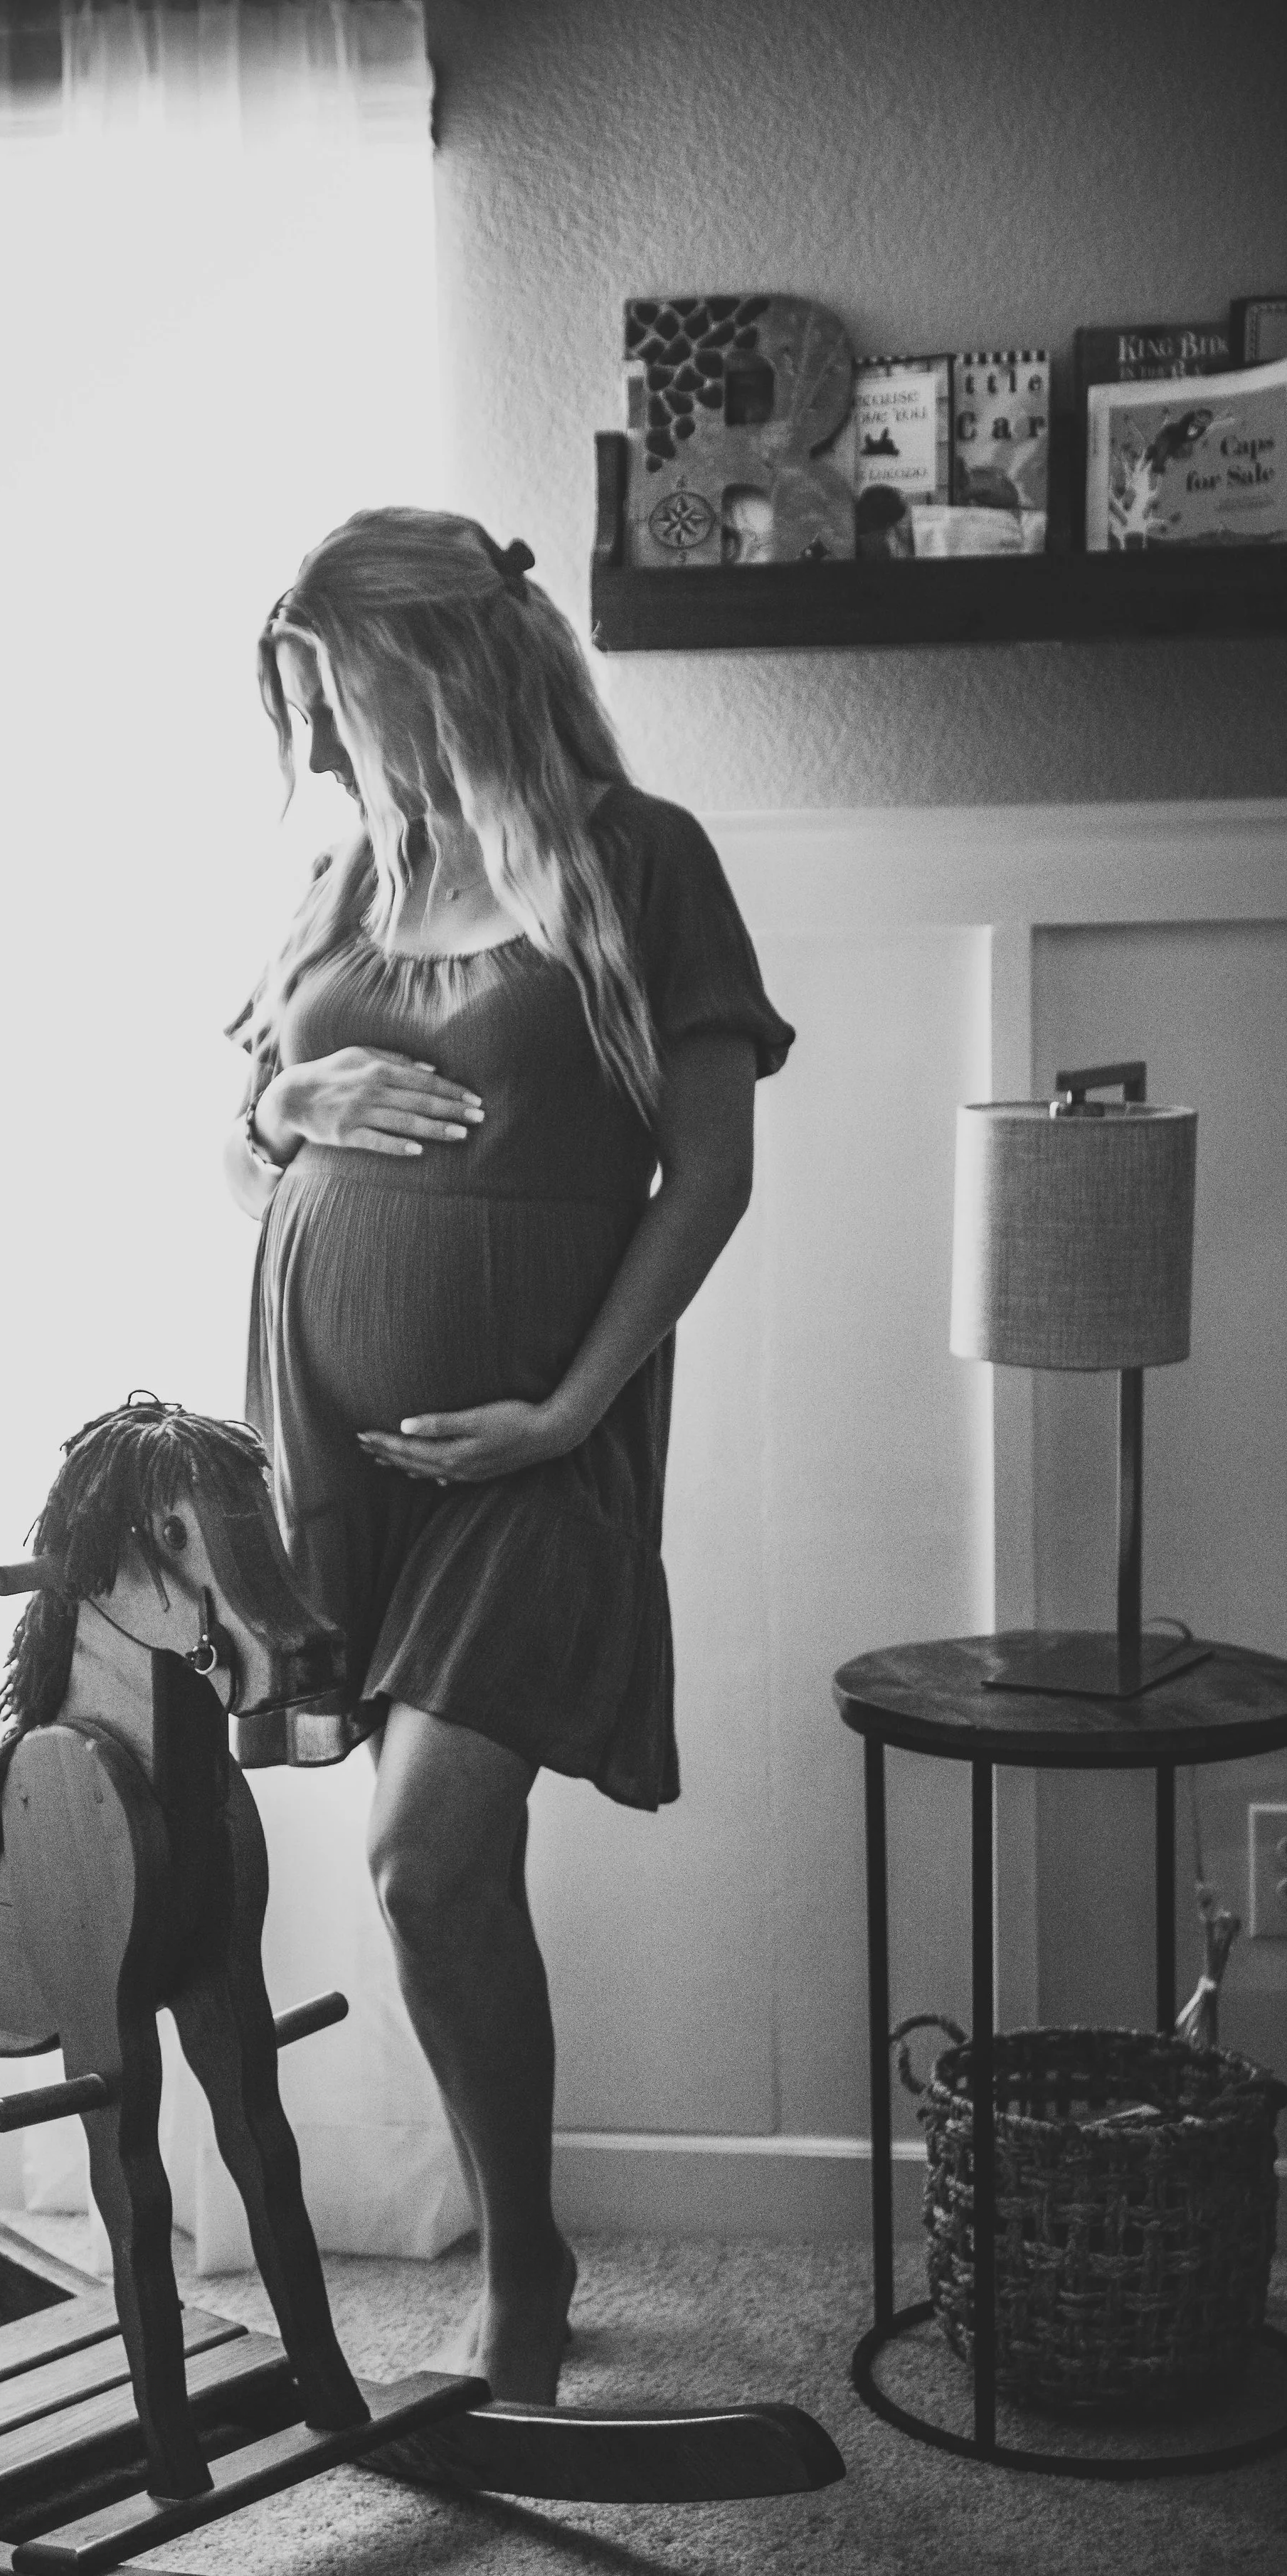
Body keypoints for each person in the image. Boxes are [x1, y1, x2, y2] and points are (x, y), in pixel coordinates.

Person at [221, 507, 793, 2404]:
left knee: (420, 1857)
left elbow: (706, 1169)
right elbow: (247, 1149)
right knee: (421, 1871)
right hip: (331, 1457)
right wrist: (277, 1100)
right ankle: (517, 2242)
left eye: (338, 703)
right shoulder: (345, 876)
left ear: (438, 671)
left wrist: (572, 1408)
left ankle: (521, 2263)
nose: (321, 751)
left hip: (532, 1455)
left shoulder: (640, 864)